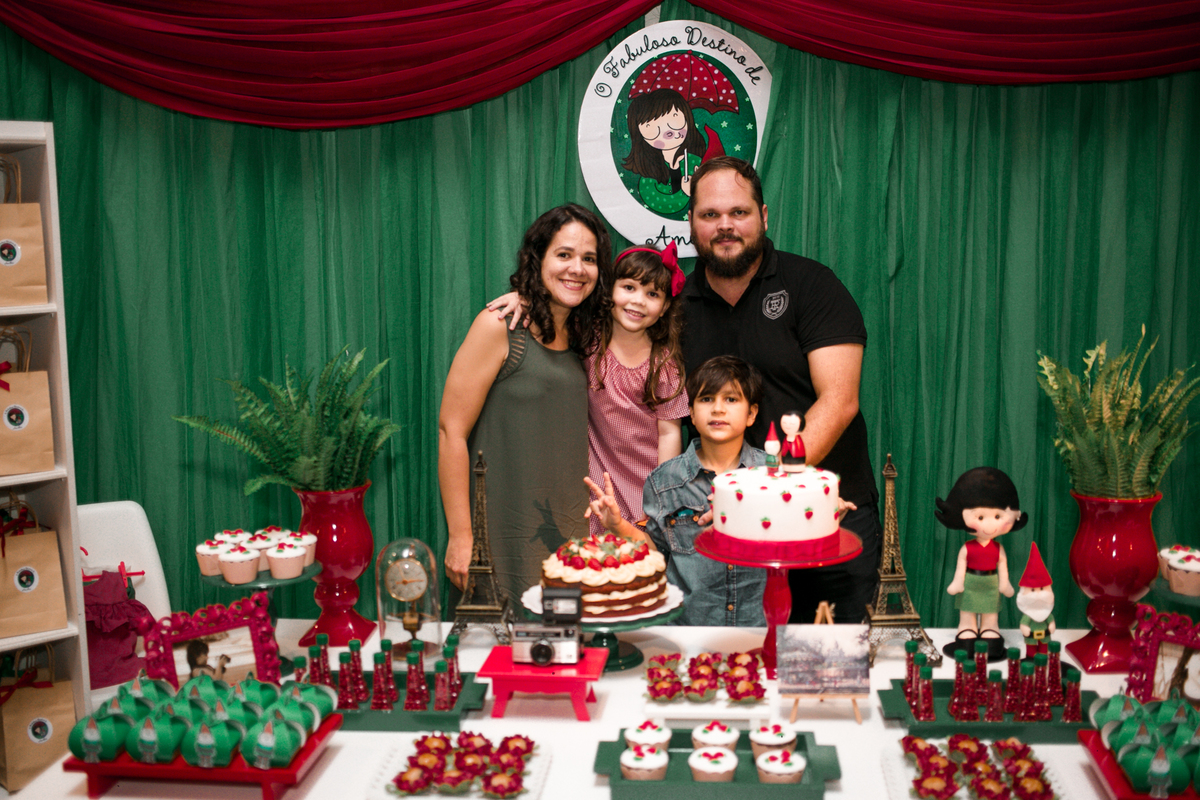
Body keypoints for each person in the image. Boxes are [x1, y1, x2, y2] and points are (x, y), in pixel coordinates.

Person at [680, 155, 881, 624]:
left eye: (739, 213)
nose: (725, 226)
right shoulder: (674, 308)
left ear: (764, 217)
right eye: (710, 215)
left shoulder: (813, 286)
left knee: (832, 669)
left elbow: (839, 400)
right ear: (691, 223)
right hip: (729, 525)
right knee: (739, 668)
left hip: (829, 517)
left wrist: (760, 487)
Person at [437, 204, 613, 605]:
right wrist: (461, 536)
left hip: (566, 540)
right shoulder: (500, 325)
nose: (577, 268)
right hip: (501, 537)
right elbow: (451, 431)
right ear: (539, 259)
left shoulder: (587, 338)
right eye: (564, 254)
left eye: (589, 259)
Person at [488, 244, 691, 536]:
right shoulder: (589, 337)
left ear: (666, 307)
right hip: (597, 479)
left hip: (644, 484)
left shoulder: (663, 364)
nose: (638, 301)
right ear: (610, 292)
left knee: (637, 561)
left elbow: (669, 432)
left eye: (652, 294)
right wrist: (524, 300)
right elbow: (550, 314)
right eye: (629, 287)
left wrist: (662, 496)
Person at [584, 355, 768, 626]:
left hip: (757, 628)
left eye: (731, 399)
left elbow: (799, 537)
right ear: (691, 413)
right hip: (687, 629)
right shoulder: (664, 480)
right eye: (706, 399)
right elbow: (657, 552)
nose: (717, 409)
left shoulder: (772, 476)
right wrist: (618, 524)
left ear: (751, 414)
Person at [936, 466, 1026, 658]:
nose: (990, 524)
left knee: (990, 612)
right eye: (980, 517)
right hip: (970, 583)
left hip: (991, 585)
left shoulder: (998, 549)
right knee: (967, 611)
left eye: (998, 516)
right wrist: (957, 581)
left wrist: (1005, 583)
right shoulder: (967, 548)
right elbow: (961, 567)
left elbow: (1002, 567)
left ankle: (989, 629)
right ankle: (967, 629)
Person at [622, 88, 707, 216]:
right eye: (651, 127)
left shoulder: (696, 162)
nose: (668, 132)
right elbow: (657, 203)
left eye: (674, 118)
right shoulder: (647, 170)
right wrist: (685, 193)